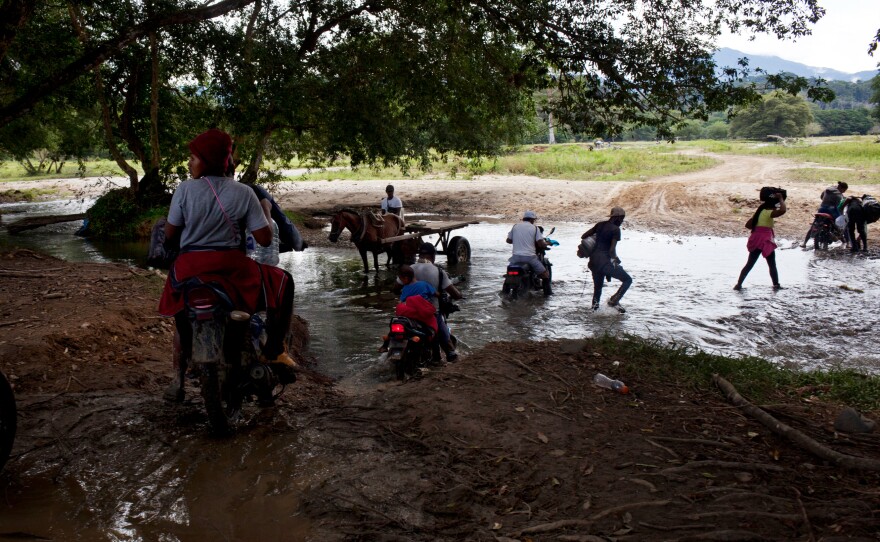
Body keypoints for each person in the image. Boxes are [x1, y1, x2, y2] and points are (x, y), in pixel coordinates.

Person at [158, 128, 297, 401]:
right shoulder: (244, 193)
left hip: (189, 268)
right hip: (232, 269)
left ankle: (178, 379)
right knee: (284, 282)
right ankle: (274, 351)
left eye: (193, 157)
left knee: (182, 317)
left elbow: (171, 235)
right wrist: (266, 211)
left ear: (206, 160)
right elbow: (265, 238)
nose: (189, 163)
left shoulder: (184, 190)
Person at [393, 242, 462, 362]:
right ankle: (450, 353)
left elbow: (395, 289)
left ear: (420, 255)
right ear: (433, 256)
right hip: (428, 312)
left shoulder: (409, 269)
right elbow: (454, 293)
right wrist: (460, 295)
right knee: (442, 330)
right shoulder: (439, 272)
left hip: (406, 312)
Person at [582, 207, 632, 313]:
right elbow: (611, 250)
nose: (622, 221)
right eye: (622, 218)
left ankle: (594, 310)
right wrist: (616, 259)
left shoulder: (600, 225)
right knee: (628, 280)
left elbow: (584, 236)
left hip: (593, 262)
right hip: (604, 263)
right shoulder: (615, 230)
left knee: (598, 289)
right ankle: (614, 300)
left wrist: (595, 239)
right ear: (617, 217)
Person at [734, 191, 786, 291]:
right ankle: (776, 285)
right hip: (765, 241)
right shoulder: (768, 212)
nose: (776, 208)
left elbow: (748, 225)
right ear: (772, 206)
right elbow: (783, 210)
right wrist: (781, 199)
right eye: (775, 206)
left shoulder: (760, 212)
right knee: (772, 264)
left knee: (749, 264)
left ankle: (738, 285)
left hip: (755, 239)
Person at [506, 210, 552, 296]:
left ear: (524, 219)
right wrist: (546, 244)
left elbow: (508, 240)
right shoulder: (535, 228)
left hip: (515, 257)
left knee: (508, 273)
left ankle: (505, 293)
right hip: (529, 257)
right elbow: (540, 243)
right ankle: (548, 295)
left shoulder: (515, 226)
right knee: (545, 275)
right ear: (532, 220)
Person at [803, 181, 847, 248]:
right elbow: (840, 205)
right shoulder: (839, 194)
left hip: (821, 208)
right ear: (842, 188)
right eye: (844, 190)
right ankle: (844, 240)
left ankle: (804, 243)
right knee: (839, 223)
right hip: (831, 210)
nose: (843, 192)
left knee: (814, 225)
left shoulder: (828, 189)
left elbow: (821, 196)